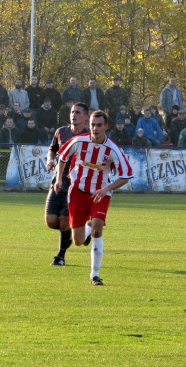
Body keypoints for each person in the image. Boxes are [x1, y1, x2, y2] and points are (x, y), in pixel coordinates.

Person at [54, 110, 133, 285]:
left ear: (106, 126)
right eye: (92, 125)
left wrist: (106, 189)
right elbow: (62, 157)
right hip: (77, 192)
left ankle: (94, 274)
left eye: (99, 125)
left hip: (100, 194)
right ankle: (87, 228)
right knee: (78, 241)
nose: (95, 128)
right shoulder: (78, 141)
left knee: (98, 230)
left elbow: (126, 175)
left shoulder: (112, 149)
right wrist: (59, 178)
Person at [44, 102, 90, 267]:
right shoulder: (61, 132)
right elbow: (53, 148)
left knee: (64, 220)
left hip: (75, 185)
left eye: (78, 112)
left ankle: (60, 256)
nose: (74, 115)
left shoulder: (89, 136)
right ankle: (82, 231)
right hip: (57, 181)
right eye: (72, 112)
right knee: (50, 221)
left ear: (85, 117)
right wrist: (50, 159)